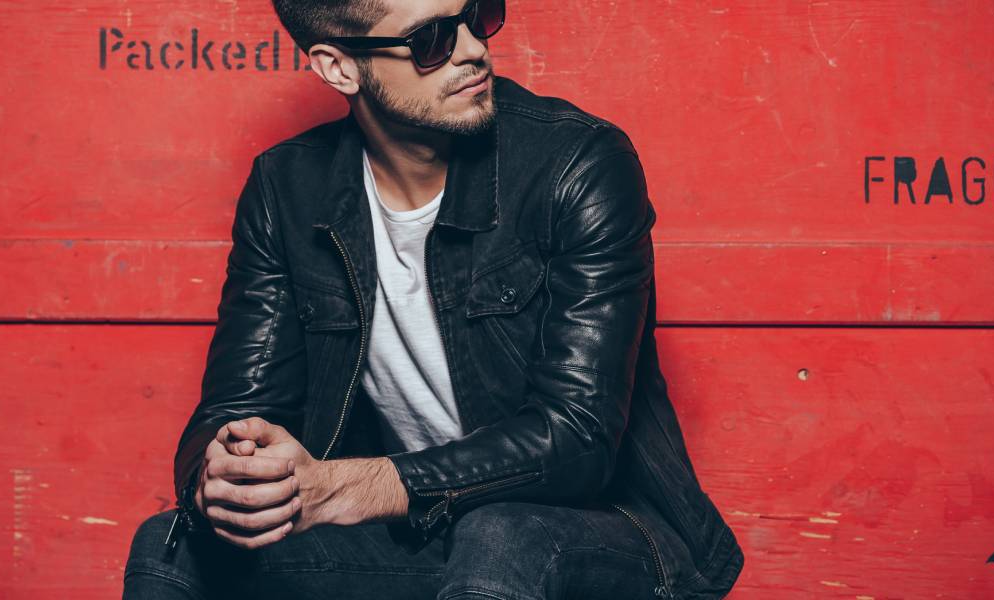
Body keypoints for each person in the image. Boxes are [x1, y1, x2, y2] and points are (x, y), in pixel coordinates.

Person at [122, 0, 743, 598]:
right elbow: (236, 407)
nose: (474, 50)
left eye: (479, 16)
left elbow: (579, 437)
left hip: (611, 532)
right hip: (424, 537)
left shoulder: (577, 164)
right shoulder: (286, 190)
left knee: (499, 536)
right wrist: (230, 476)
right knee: (175, 548)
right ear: (339, 67)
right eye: (431, 40)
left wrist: (344, 488)